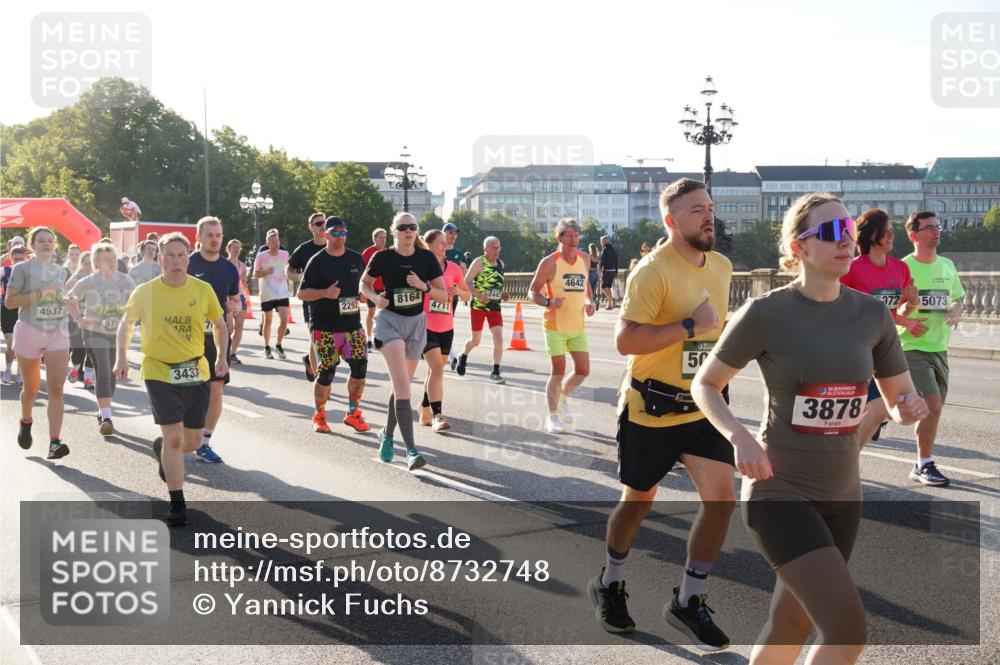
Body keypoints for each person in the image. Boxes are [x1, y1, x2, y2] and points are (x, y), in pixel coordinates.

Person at [692, 192, 928, 664]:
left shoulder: (872, 315)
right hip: (780, 493)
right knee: (846, 629)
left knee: (791, 624)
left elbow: (897, 400)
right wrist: (740, 437)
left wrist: (908, 409)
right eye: (832, 232)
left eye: (849, 231)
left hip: (843, 495)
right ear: (798, 246)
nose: (846, 241)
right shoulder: (766, 313)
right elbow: (706, 385)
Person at [586, 180, 733, 650]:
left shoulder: (722, 266)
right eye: (696, 210)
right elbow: (626, 341)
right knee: (638, 503)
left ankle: (687, 600)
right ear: (671, 220)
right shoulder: (652, 272)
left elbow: (717, 336)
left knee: (722, 501)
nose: (708, 217)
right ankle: (610, 582)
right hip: (652, 406)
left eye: (709, 208)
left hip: (703, 406)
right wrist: (689, 325)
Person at [115, 232, 227, 527]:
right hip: (159, 370)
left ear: (188, 258)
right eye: (170, 256)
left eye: (181, 255)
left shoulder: (202, 289)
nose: (176, 261)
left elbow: (220, 324)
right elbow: (127, 323)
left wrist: (222, 356)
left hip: (196, 371)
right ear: (160, 259)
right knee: (174, 438)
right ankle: (177, 504)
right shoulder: (146, 291)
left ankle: (163, 450)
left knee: (191, 442)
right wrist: (121, 357)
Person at [361, 212, 447, 471]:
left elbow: (443, 295)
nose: (408, 231)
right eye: (402, 227)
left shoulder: (426, 258)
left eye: (412, 227)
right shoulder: (383, 257)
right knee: (403, 388)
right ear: (394, 231)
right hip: (389, 323)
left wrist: (423, 286)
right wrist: (374, 298)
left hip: (416, 324)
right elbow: (364, 284)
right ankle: (411, 450)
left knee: (402, 386)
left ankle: (387, 435)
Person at [897, 211, 966, 487]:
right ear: (913, 234)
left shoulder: (947, 265)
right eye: (928, 228)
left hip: (939, 347)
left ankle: (918, 461)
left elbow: (959, 298)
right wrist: (907, 312)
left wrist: (956, 311)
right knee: (932, 405)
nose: (936, 231)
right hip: (911, 346)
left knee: (932, 411)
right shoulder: (902, 267)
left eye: (937, 226)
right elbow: (891, 308)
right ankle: (925, 464)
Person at [839, 209, 920, 443]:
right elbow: (836, 308)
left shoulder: (900, 268)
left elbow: (897, 311)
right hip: (854, 350)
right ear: (871, 233)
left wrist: (911, 303)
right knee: (864, 413)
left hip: (885, 349)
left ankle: (849, 456)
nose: (891, 235)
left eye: (892, 231)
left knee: (880, 410)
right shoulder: (851, 268)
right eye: (886, 231)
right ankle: (846, 456)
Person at [297, 217, 371, 433]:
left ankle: (353, 413)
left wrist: (364, 296)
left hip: (352, 325)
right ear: (326, 234)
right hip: (325, 326)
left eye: (343, 232)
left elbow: (364, 287)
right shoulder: (317, 261)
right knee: (326, 373)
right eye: (336, 232)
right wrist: (325, 293)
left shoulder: (356, 259)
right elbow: (302, 293)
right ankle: (319, 415)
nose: (341, 236)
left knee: (360, 370)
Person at [4, 227, 72, 459]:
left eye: (50, 240)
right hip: (29, 330)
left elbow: (59, 298)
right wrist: (40, 293)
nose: (46, 244)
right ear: (32, 245)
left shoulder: (60, 271)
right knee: (31, 389)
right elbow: (10, 302)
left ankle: (54, 442)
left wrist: (68, 302)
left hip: (57, 331)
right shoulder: (22, 268)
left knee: (56, 387)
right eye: (41, 241)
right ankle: (26, 420)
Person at [528, 219, 596, 433]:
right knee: (558, 371)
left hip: (577, 326)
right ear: (559, 237)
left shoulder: (585, 258)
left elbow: (586, 285)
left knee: (583, 370)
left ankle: (563, 398)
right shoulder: (550, 262)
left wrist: (590, 302)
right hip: (555, 327)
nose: (574, 240)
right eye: (569, 236)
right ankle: (552, 417)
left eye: (576, 235)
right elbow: (532, 292)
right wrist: (549, 302)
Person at [187, 216, 242, 464]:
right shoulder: (188, 263)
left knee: (216, 387)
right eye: (209, 235)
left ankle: (204, 442)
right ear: (198, 237)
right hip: (187, 337)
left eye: (218, 235)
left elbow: (234, 300)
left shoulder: (229, 269)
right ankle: (179, 433)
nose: (215, 240)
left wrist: (234, 308)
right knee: (189, 389)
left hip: (218, 336)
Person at [66, 243, 135, 435]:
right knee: (103, 370)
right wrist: (78, 318)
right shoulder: (89, 281)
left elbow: (135, 304)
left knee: (111, 374)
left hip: (118, 333)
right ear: (96, 263)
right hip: (94, 332)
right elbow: (69, 299)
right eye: (106, 260)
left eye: (113, 259)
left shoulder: (126, 281)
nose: (112, 263)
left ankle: (103, 409)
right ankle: (107, 418)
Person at [419, 229, 471, 431]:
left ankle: (424, 406)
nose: (445, 245)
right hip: (425, 325)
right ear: (429, 244)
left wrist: (458, 291)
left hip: (446, 326)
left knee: (435, 370)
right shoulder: (421, 267)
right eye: (441, 242)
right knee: (437, 369)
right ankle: (437, 415)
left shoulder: (454, 268)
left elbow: (467, 295)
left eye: (445, 242)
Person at [454, 237, 508, 383]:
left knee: (499, 338)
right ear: (485, 249)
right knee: (476, 340)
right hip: (478, 307)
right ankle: (463, 355)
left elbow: (497, 284)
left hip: (494, 307)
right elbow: (467, 282)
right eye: (493, 248)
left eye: (498, 247)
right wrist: (479, 295)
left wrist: (502, 294)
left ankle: (495, 371)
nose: (496, 251)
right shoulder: (479, 262)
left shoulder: (501, 264)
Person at [288, 212, 331, 380]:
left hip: (333, 300)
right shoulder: (304, 249)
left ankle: (309, 359)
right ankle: (319, 379)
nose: (322, 226)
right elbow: (288, 270)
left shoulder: (334, 245)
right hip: (311, 300)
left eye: (324, 223)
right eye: (318, 224)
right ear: (310, 227)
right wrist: (300, 278)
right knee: (316, 338)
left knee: (327, 339)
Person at [254, 228, 291, 360]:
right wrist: (266, 272)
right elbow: (255, 274)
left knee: (284, 319)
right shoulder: (261, 256)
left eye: (277, 241)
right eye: (273, 241)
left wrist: (292, 274)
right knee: (268, 320)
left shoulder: (285, 254)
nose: (276, 243)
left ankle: (278, 345)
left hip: (282, 292)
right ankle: (266, 347)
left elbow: (289, 269)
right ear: (267, 243)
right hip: (267, 293)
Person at [66, 250, 96, 389]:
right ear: (82, 263)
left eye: (91, 262)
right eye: (86, 262)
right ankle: (75, 369)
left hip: (94, 318)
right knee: (79, 349)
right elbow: (66, 294)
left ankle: (88, 379)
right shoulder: (77, 277)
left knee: (92, 349)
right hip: (77, 317)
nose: (89, 265)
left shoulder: (99, 278)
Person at [442, 222, 467, 369]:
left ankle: (450, 357)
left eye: (455, 233)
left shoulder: (459, 254)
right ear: (443, 233)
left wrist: (464, 271)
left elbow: (463, 277)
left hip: (452, 296)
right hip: (433, 294)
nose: (453, 236)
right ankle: (451, 357)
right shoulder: (437, 250)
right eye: (450, 233)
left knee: (447, 325)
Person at [1, 245, 28, 385]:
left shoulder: (29, 273)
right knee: (11, 344)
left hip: (24, 310)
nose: (18, 261)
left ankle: (19, 373)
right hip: (7, 310)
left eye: (21, 259)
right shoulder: (5, 270)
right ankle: (7, 370)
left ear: (25, 258)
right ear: (11, 259)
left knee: (22, 345)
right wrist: (2, 259)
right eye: (15, 259)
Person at [361, 227, 388, 353]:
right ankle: (369, 339)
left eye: (385, 237)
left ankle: (380, 338)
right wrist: (362, 291)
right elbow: (362, 272)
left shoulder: (388, 252)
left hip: (385, 288)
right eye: (381, 237)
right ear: (374, 239)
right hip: (371, 288)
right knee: (372, 312)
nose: (383, 240)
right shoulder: (368, 252)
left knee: (384, 314)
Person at [225, 239, 248, 365]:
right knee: (229, 328)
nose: (236, 250)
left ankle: (232, 353)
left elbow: (243, 281)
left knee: (239, 326)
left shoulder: (242, 265)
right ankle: (223, 350)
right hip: (227, 296)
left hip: (240, 296)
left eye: (238, 248)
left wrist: (244, 280)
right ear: (228, 249)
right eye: (234, 247)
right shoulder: (224, 263)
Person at [599, 235, 619, 310]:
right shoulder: (613, 249)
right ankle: (609, 305)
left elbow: (602, 261)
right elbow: (616, 261)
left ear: (604, 241)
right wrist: (616, 271)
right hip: (613, 271)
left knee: (603, 287)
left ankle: (612, 298)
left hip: (607, 271)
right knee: (608, 288)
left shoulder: (604, 249)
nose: (601, 243)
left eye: (601, 241)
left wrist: (600, 269)